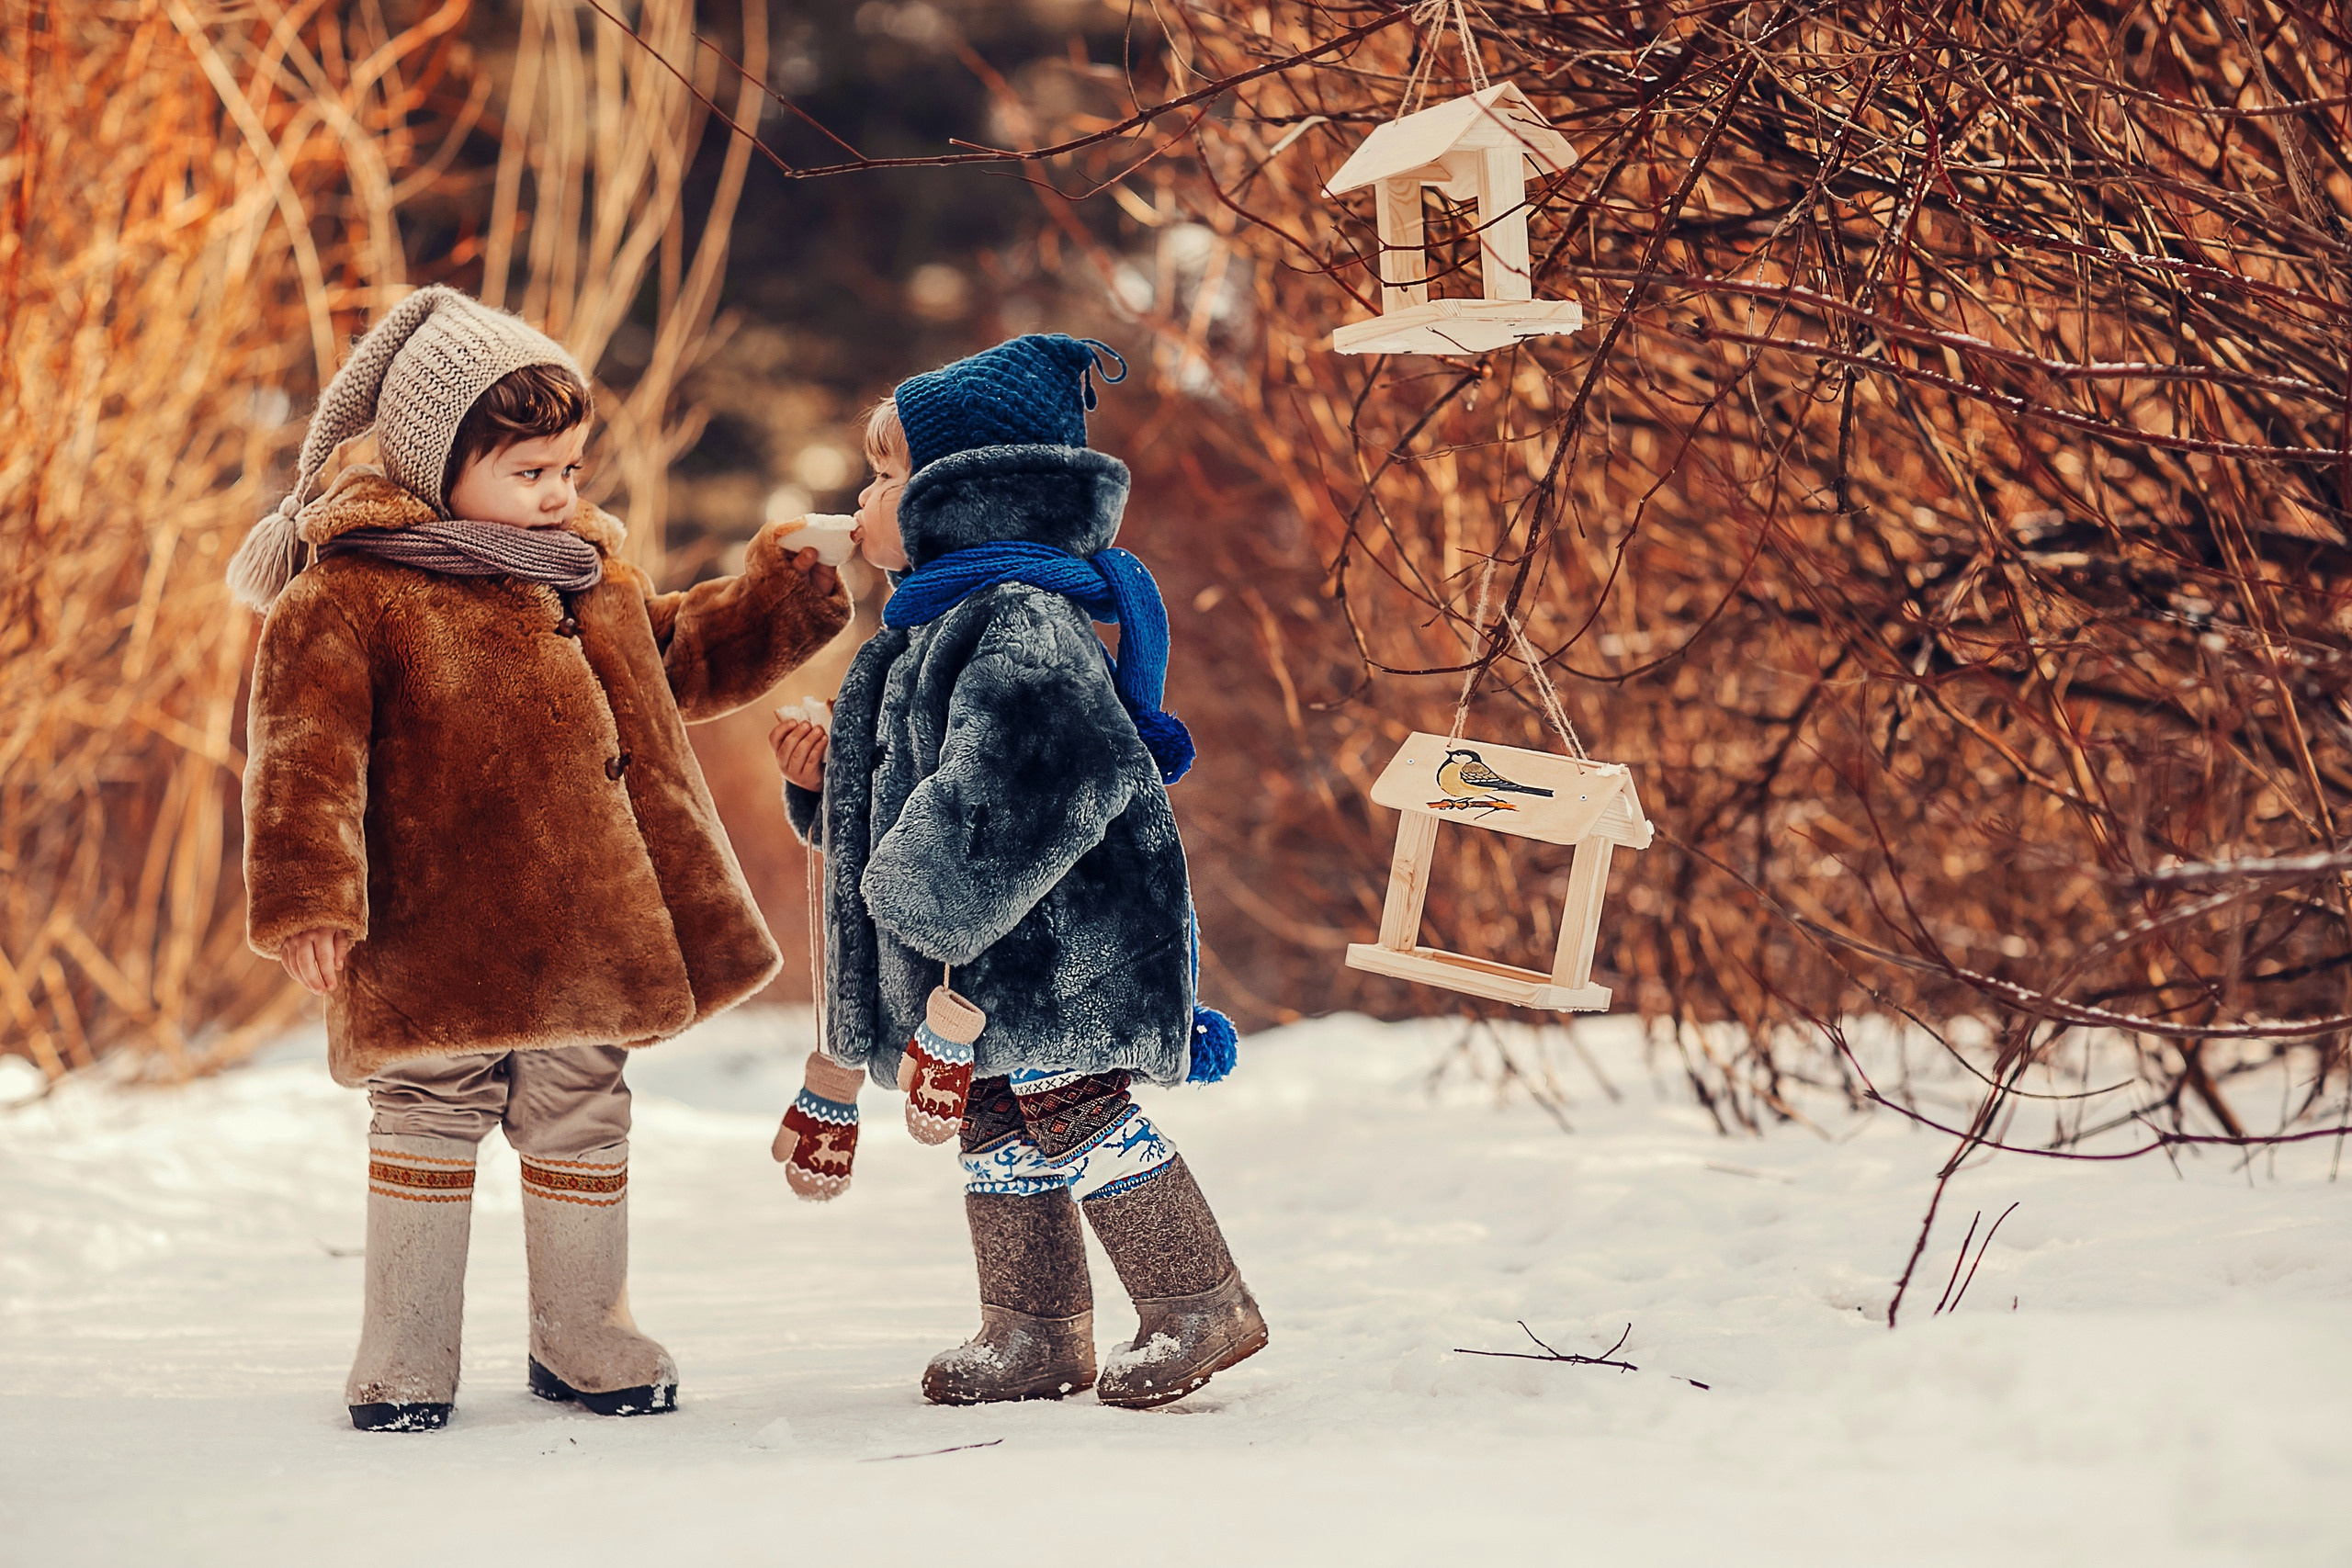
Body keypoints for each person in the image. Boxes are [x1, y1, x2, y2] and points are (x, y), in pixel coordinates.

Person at [230, 286, 851, 1432]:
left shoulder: (586, 575)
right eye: (529, 472)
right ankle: (405, 1353)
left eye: (569, 466)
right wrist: (309, 896)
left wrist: (781, 601)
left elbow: (678, 659)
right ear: (436, 464)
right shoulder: (350, 594)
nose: (560, 492)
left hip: (585, 924)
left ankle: (585, 1334)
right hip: (433, 928)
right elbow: (302, 754)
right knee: (426, 1111)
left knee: (583, 1109)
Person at [768, 333, 1262, 1409]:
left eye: (886, 477)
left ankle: (1199, 1302)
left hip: (1062, 945)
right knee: (995, 1121)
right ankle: (1033, 1330)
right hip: (979, 958)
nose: (863, 499)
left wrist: (920, 894)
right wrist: (823, 782)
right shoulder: (917, 636)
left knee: (1071, 1103)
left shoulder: (1019, 621)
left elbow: (1040, 776)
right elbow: (898, 798)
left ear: (965, 496)